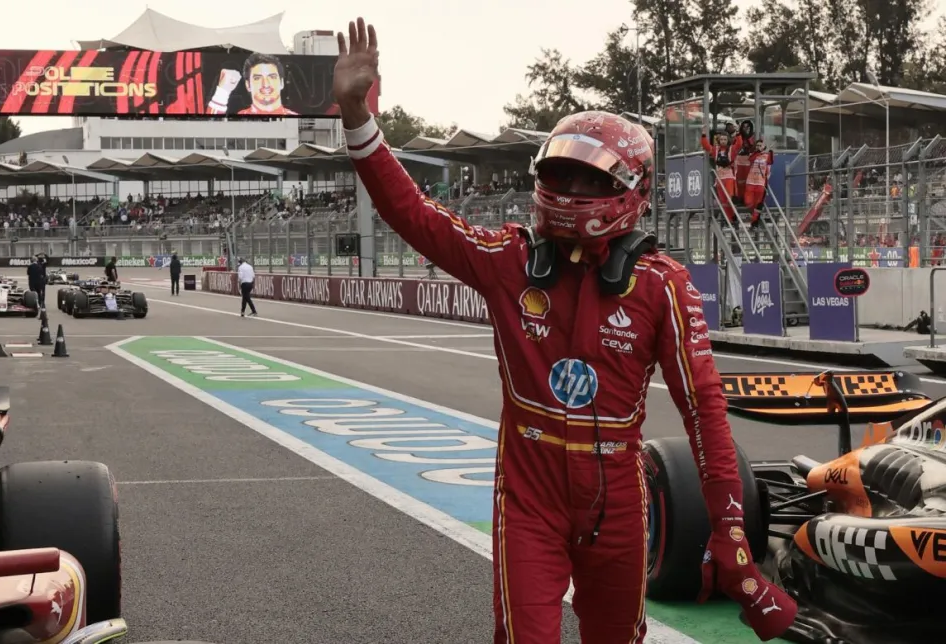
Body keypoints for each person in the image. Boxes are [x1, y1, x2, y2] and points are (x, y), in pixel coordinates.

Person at [332, 18, 797, 644]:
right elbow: (415, 215)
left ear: (633, 189)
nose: (571, 191)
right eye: (561, 175)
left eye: (591, 179)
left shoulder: (662, 285)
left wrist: (730, 532)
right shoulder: (509, 260)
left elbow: (705, 415)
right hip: (531, 503)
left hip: (621, 510)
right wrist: (358, 115)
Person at [208, 53, 298, 116]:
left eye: (272, 77)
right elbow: (210, 128)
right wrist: (223, 92)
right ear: (248, 85)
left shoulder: (295, 118)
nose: (265, 84)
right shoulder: (238, 118)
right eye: (257, 78)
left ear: (281, 83)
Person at [701, 126, 739, 222]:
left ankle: (733, 217)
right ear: (718, 140)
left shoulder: (731, 149)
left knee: (729, 199)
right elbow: (706, 146)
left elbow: (739, 144)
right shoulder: (715, 150)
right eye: (721, 139)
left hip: (729, 178)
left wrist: (737, 134)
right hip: (719, 179)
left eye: (725, 139)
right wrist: (703, 135)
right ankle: (730, 219)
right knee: (723, 202)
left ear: (728, 140)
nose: (723, 141)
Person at [745, 139, 774, 228]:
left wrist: (771, 151)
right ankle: (753, 215)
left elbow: (771, 162)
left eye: (760, 145)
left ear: (764, 147)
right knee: (748, 202)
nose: (758, 147)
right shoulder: (753, 155)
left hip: (760, 183)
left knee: (758, 204)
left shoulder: (766, 155)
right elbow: (751, 159)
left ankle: (754, 222)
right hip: (750, 182)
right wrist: (757, 152)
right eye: (757, 145)